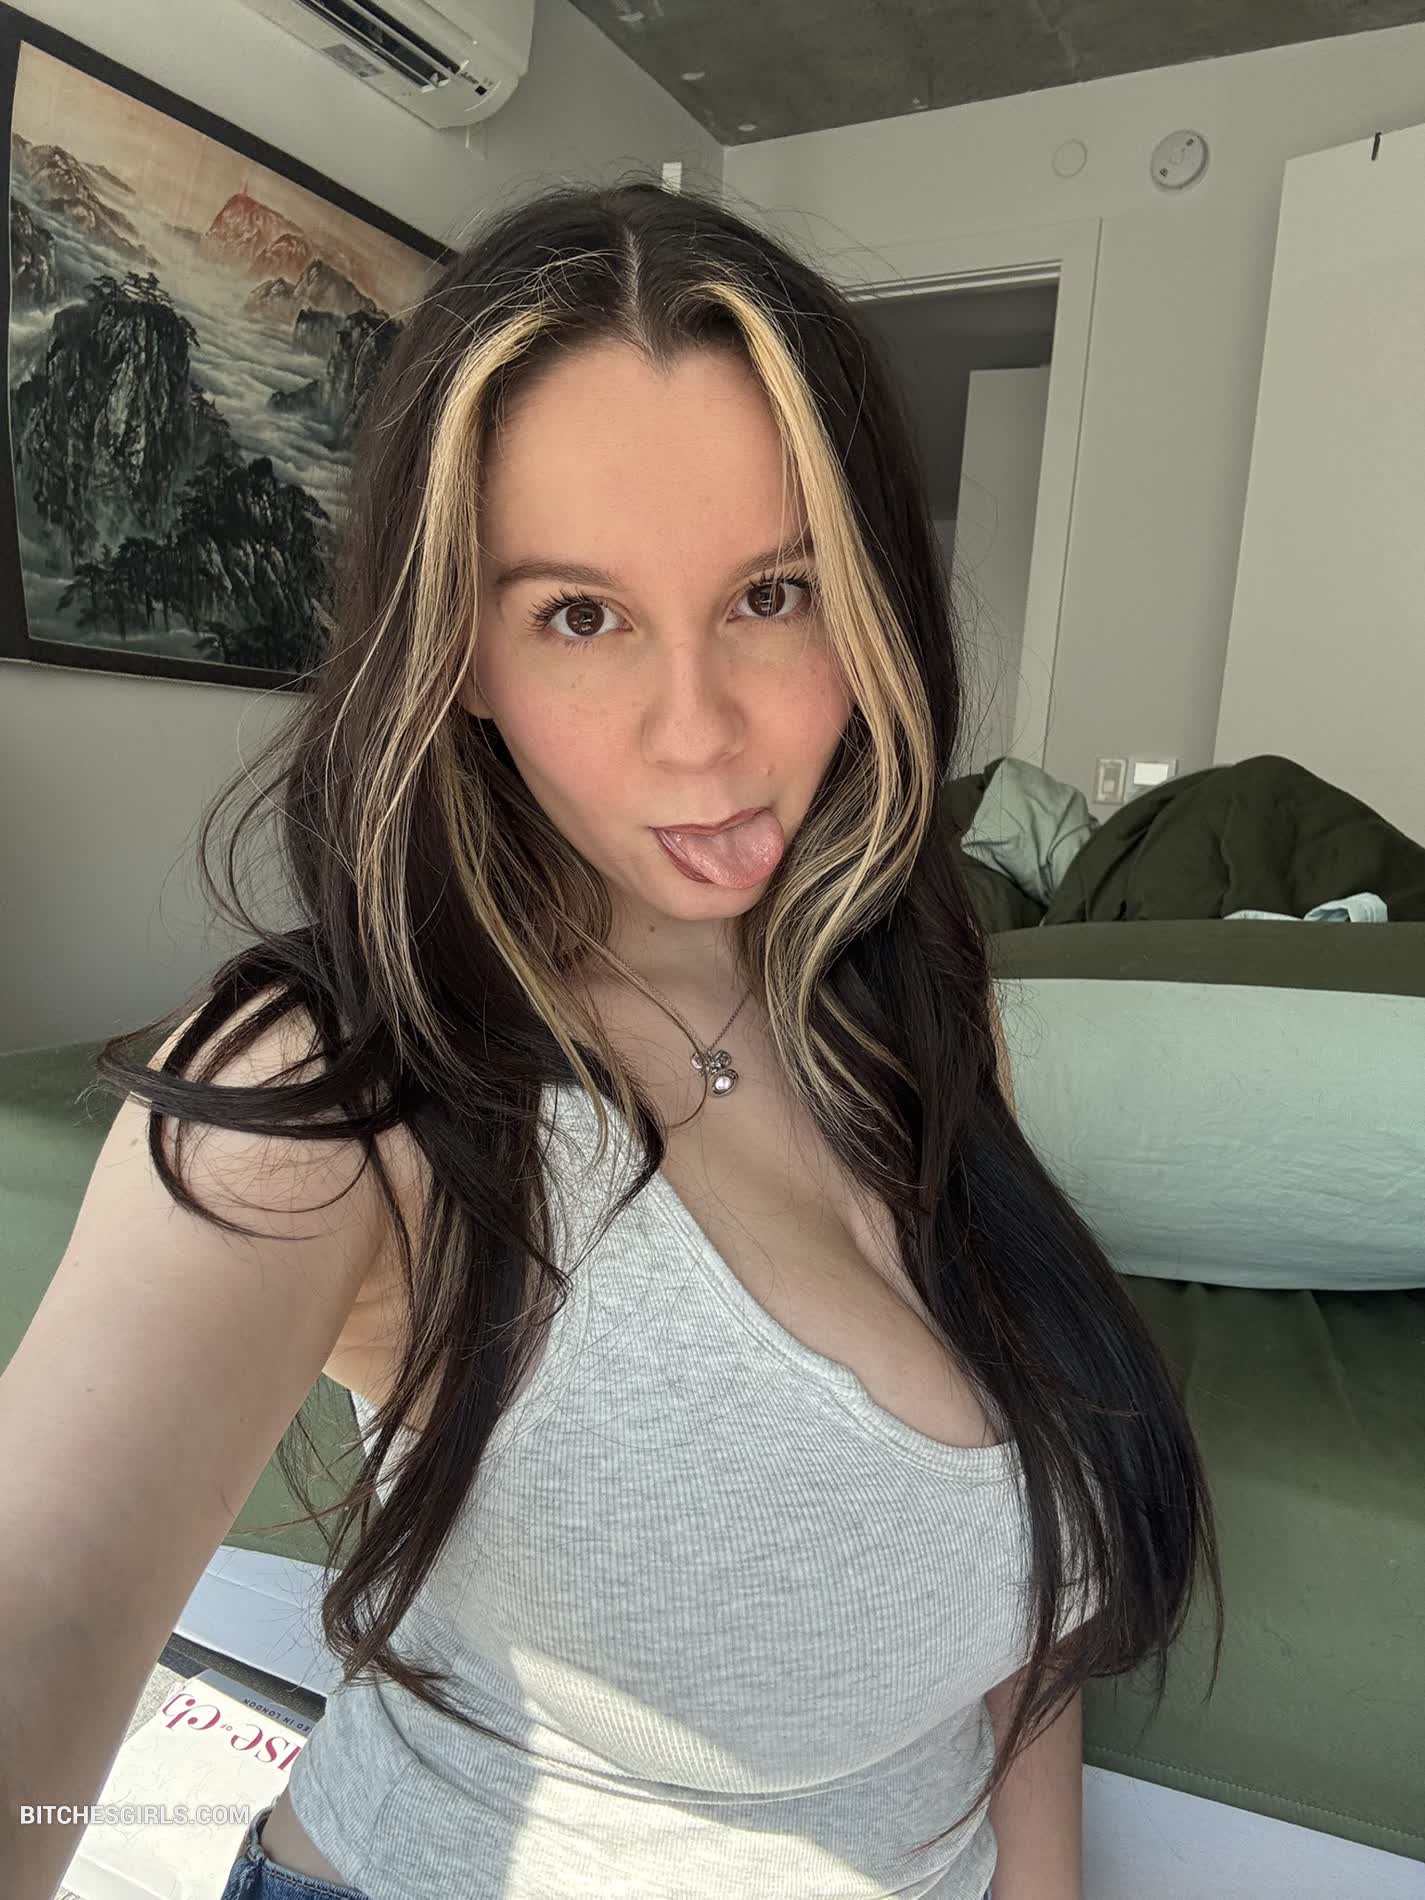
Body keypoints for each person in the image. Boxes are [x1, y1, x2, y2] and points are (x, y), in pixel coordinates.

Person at [0, 174, 1223, 1900]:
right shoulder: (333, 1083)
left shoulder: (920, 1019)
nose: (697, 734)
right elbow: (42, 1607)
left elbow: (1018, 1623)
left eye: (773, 593)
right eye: (579, 614)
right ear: (460, 654)